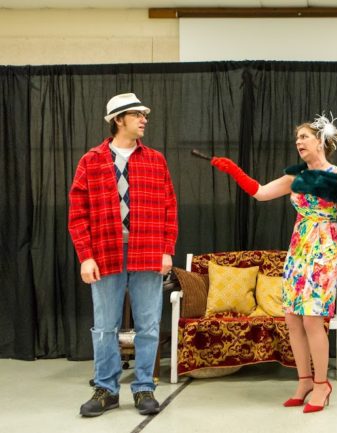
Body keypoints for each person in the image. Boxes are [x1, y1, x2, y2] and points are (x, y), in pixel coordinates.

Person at [210, 113, 337, 413]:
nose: (298, 142)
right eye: (297, 138)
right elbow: (261, 192)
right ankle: (304, 380)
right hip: (298, 248)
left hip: (324, 248)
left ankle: (322, 384)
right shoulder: (296, 177)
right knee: (292, 317)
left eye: (304, 136)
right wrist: (233, 170)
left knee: (312, 318)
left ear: (320, 141)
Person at [69, 93, 178, 417]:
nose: (144, 119)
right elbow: (78, 213)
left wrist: (166, 250)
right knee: (104, 326)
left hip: (147, 251)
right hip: (105, 252)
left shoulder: (156, 160)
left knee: (147, 325)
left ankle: (144, 389)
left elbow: (169, 209)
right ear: (119, 119)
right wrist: (85, 256)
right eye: (137, 115)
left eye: (144, 114)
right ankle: (106, 389)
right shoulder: (91, 160)